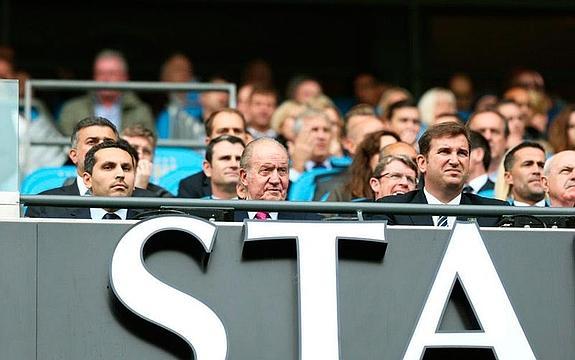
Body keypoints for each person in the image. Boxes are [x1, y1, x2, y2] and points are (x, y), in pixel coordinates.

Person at [376, 122, 508, 227]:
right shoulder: (391, 210)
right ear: (422, 163)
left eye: (462, 153)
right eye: (445, 152)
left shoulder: (495, 213)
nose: (455, 161)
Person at [27, 140, 152, 219]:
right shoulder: (46, 210)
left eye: (126, 168)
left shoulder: (155, 212)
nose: (120, 174)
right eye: (108, 167)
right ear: (87, 180)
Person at [58, 49, 154, 136]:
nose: (106, 79)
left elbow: (148, 145)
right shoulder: (72, 109)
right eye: (100, 73)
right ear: (94, 77)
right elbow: (66, 147)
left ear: (125, 77)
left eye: (112, 74)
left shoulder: (140, 111)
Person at [234, 137, 321, 220]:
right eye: (266, 170)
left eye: (282, 170)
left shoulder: (308, 220)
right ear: (244, 177)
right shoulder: (225, 218)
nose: (275, 180)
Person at [178, 108, 248, 198]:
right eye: (223, 131)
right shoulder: (190, 186)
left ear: (246, 139)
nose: (230, 135)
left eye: (237, 131)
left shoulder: (261, 180)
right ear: (208, 141)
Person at [121, 125, 172, 197]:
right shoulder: (103, 188)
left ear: (152, 159)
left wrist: (140, 189)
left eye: (146, 151)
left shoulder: (163, 197)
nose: (140, 156)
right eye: (133, 148)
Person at [498, 141, 547, 206]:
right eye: (527, 164)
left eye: (541, 166)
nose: (537, 171)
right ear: (509, 177)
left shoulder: (562, 215)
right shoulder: (498, 215)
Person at [466, 109, 508, 180]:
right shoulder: (455, 181)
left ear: (506, 139)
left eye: (494, 131)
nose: (487, 137)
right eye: (481, 131)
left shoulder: (514, 181)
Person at [201, 135, 245, 199]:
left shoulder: (259, 207)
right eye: (225, 158)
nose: (234, 165)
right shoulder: (194, 208)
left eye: (239, 159)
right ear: (207, 168)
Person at [464, 131, 495, 198]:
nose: (454, 159)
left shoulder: (499, 193)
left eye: (462, 153)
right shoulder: (450, 193)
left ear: (478, 154)